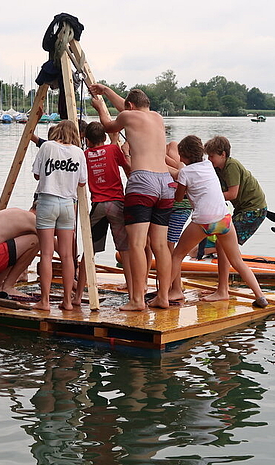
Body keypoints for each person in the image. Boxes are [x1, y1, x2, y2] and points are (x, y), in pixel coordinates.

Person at [89, 84, 173, 310]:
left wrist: (99, 106)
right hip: (165, 182)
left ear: (131, 106)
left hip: (143, 181)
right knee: (160, 246)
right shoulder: (156, 117)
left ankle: (137, 300)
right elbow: (128, 111)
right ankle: (163, 297)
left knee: (136, 244)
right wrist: (106, 91)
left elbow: (108, 126)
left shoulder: (128, 115)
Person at [168, 136, 268, 307]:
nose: (180, 160)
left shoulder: (185, 172)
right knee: (237, 261)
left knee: (177, 256)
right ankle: (260, 296)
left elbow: (178, 198)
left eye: (181, 157)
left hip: (205, 221)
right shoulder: (208, 165)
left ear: (184, 156)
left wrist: (179, 187)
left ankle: (163, 295)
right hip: (224, 219)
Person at [31, 120, 87, 311]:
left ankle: (45, 301)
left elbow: (37, 174)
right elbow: (82, 182)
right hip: (68, 204)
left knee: (46, 254)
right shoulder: (79, 153)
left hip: (47, 201)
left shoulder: (47, 147)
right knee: (67, 256)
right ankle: (68, 301)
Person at [74, 121, 132, 303]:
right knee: (125, 250)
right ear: (104, 138)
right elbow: (128, 168)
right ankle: (133, 292)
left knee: (89, 251)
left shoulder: (85, 155)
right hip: (117, 203)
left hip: (98, 205)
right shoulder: (114, 150)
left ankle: (77, 295)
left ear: (88, 140)